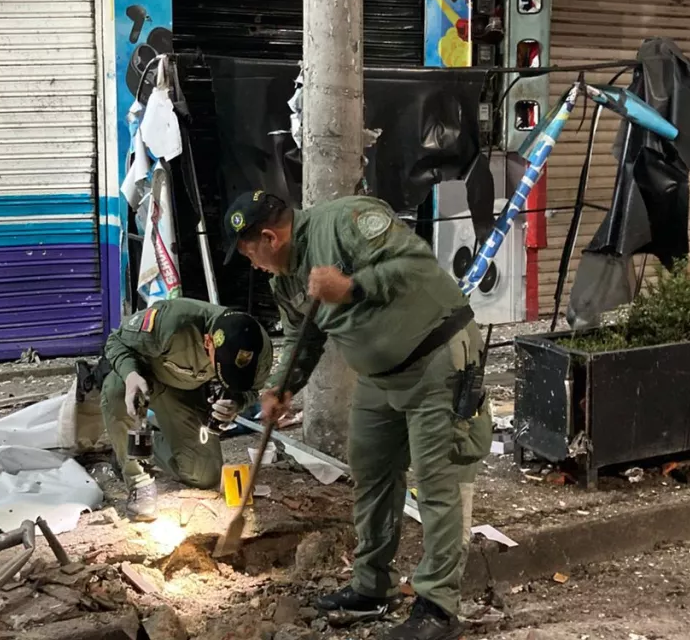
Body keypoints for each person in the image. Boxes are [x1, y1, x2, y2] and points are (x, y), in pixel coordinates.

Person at [224, 190, 492, 640]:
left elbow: (416, 266)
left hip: (437, 358)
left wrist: (352, 287)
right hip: (379, 378)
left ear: (269, 237)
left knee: (437, 479)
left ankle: (438, 608)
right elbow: (302, 337)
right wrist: (283, 387)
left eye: (251, 254)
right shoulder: (285, 280)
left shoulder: (347, 221)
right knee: (370, 469)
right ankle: (373, 586)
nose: (253, 265)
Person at [101, 298, 272, 522]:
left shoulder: (259, 348)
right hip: (148, 380)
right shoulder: (172, 322)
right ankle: (137, 478)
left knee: (204, 475)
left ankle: (143, 443)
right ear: (208, 341)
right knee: (116, 389)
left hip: (188, 395)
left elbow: (252, 391)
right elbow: (115, 341)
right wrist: (130, 374)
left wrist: (236, 403)